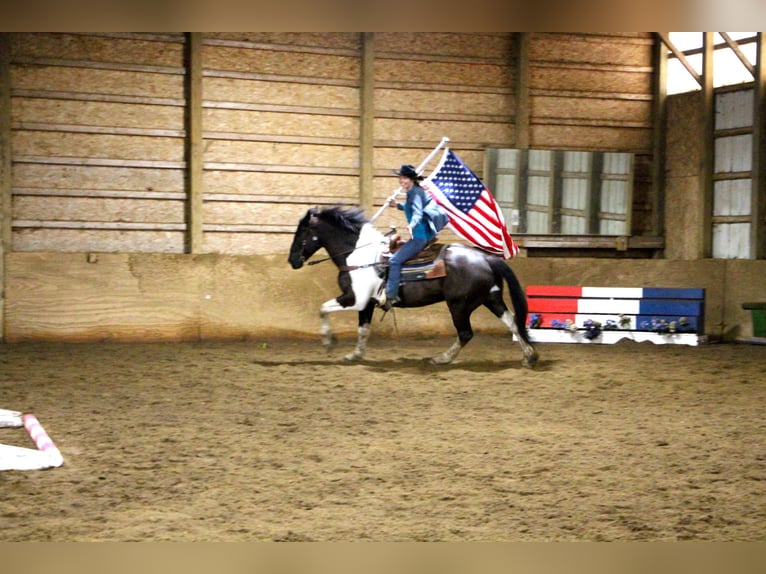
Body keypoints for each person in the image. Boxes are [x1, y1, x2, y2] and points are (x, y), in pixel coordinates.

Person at [380, 164, 441, 311]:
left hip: (420, 237)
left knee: (394, 261)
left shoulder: (414, 193)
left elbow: (418, 212)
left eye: (405, 178)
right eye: (401, 178)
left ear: (412, 179)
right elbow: (410, 207)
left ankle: (391, 295)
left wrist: (412, 224)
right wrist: (397, 205)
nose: (402, 181)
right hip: (421, 234)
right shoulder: (414, 191)